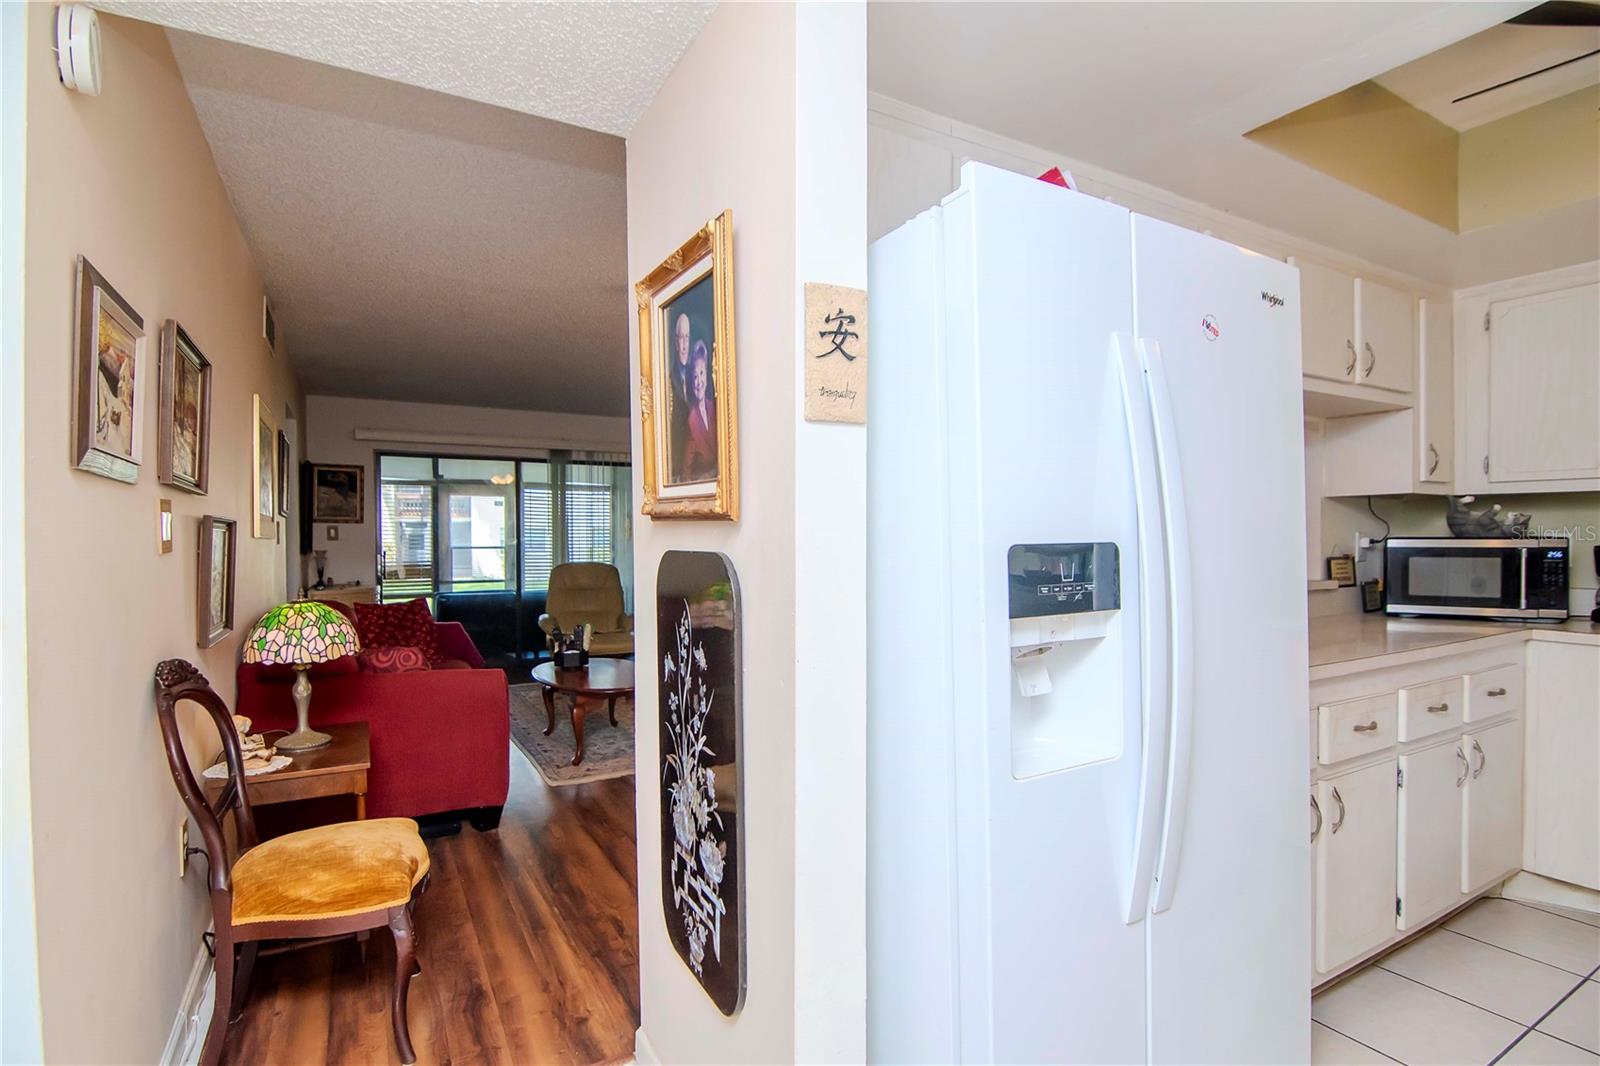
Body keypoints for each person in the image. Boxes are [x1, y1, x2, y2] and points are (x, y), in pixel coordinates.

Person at [683, 340, 717, 481]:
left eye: (702, 373)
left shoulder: (713, 408)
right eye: (695, 376)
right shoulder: (692, 420)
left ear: (707, 377)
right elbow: (686, 470)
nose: (699, 381)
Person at [669, 312, 693, 478]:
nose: (684, 344)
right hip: (678, 456)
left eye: (686, 337)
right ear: (676, 342)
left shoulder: (697, 376)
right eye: (680, 338)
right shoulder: (669, 378)